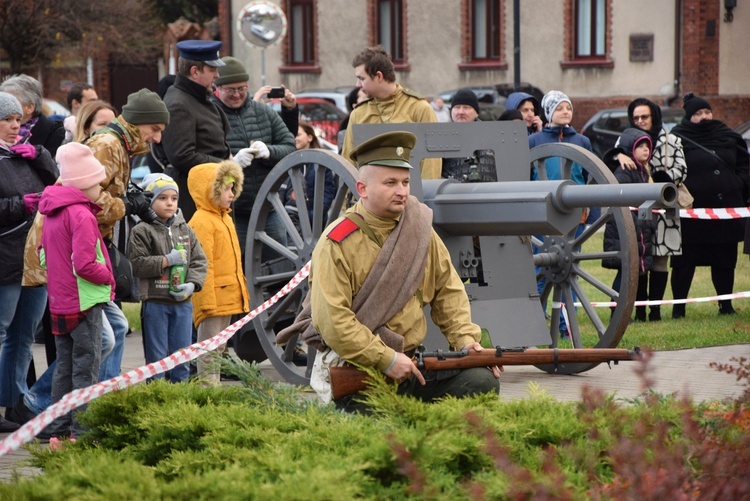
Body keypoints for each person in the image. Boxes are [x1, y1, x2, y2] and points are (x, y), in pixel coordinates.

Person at [308, 130, 500, 412]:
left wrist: (466, 342)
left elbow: (448, 290)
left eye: (406, 182)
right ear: (362, 189)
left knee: (481, 382)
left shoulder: (419, 228)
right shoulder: (336, 243)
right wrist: (385, 359)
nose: (402, 191)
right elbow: (334, 322)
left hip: (413, 365)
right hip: (362, 369)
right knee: (377, 425)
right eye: (390, 183)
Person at [86, 88, 171, 380]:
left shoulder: (120, 144)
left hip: (94, 246)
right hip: (81, 249)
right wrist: (127, 204)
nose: (157, 138)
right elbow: (91, 203)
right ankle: (41, 403)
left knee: (117, 329)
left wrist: (136, 203)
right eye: (154, 129)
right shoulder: (108, 144)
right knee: (99, 338)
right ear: (137, 122)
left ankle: (104, 393)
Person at [37, 142, 114, 441]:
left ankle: (55, 431)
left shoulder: (52, 211)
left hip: (60, 303)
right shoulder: (82, 215)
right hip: (85, 304)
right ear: (83, 185)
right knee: (86, 372)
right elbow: (84, 263)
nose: (100, 190)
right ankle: (82, 433)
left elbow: (43, 257)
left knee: (64, 370)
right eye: (97, 183)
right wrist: (107, 277)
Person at [0, 92, 58, 433]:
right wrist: (20, 204)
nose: (13, 127)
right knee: (3, 332)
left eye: (17, 121)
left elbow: (56, 183)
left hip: (34, 261)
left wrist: (39, 154)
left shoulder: (25, 154)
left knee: (23, 337)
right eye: (6, 120)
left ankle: (16, 404)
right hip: (5, 260)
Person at [670, 93, 750, 318]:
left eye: (707, 112)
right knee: (684, 263)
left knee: (725, 260)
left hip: (725, 211)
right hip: (692, 214)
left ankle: (726, 305)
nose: (704, 117)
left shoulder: (728, 135)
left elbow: (744, 163)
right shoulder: (677, 138)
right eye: (698, 114)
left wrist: (740, 183)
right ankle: (679, 308)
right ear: (688, 117)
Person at [210, 56, 296, 260]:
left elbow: (290, 146)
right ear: (218, 88)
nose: (237, 94)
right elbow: (200, 160)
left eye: (242, 88)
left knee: (278, 263)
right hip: (232, 211)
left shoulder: (264, 112)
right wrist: (231, 164)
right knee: (237, 265)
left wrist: (269, 152)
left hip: (268, 206)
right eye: (230, 90)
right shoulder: (210, 115)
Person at [610, 98, 688, 321]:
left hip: (663, 207)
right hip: (636, 212)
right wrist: (620, 155)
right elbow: (612, 160)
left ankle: (655, 311)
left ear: (653, 116)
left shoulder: (671, 140)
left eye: (644, 116)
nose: (640, 121)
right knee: (639, 258)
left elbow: (681, 170)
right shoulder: (624, 140)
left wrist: (658, 183)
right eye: (636, 118)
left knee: (661, 259)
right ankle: (640, 310)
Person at [528, 90, 597, 337]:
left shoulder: (582, 141)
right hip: (541, 212)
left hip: (573, 213)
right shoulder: (535, 141)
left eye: (568, 107)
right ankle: (534, 323)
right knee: (540, 270)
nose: (565, 112)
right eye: (559, 108)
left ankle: (566, 327)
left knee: (569, 270)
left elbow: (592, 179)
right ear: (548, 113)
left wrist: (592, 214)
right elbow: (526, 176)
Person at [128, 174, 207, 383]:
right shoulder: (141, 230)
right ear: (150, 201)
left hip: (182, 304)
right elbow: (136, 264)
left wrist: (192, 284)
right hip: (155, 302)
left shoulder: (186, 229)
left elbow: (199, 261)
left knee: (182, 356)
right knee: (157, 359)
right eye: (162, 198)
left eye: (173, 198)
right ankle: (157, 399)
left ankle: (179, 398)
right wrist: (166, 260)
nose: (169, 203)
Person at [187, 160, 249, 385]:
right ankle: (208, 387)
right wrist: (206, 302)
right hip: (213, 299)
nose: (232, 193)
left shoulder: (225, 218)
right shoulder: (202, 222)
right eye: (226, 188)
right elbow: (204, 266)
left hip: (227, 297)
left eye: (233, 188)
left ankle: (214, 384)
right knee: (209, 348)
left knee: (219, 346)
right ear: (210, 190)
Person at [340, 45, 441, 180]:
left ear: (378, 76)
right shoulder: (358, 113)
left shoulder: (419, 108)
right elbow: (348, 162)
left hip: (410, 196)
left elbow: (431, 162)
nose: (357, 84)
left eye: (362, 78)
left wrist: (424, 199)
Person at [159, 40, 231, 221]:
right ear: (195, 71)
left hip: (208, 194)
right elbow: (182, 155)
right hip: (194, 201)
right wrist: (225, 164)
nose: (217, 75)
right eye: (212, 70)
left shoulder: (195, 96)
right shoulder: (179, 104)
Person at [602, 128, 657, 322]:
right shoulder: (626, 170)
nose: (645, 150)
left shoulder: (643, 171)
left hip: (639, 228)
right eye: (640, 146)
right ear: (629, 149)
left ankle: (628, 313)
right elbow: (619, 195)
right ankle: (616, 312)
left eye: (647, 147)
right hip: (624, 229)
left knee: (633, 273)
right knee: (625, 273)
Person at [281, 122, 337, 231]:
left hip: (315, 222)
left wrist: (313, 215)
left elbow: (328, 192)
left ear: (310, 137)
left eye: (298, 135)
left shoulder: (321, 162)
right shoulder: (287, 162)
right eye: (291, 136)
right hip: (291, 222)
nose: (294, 139)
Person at [0, 74, 65, 158]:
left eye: (13, 101)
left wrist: (39, 155)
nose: (5, 105)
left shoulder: (58, 134)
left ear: (30, 107)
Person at [441, 88, 497, 183]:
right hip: (454, 195)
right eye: (457, 107)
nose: (461, 112)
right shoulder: (442, 137)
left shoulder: (491, 135)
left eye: (466, 107)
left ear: (476, 113)